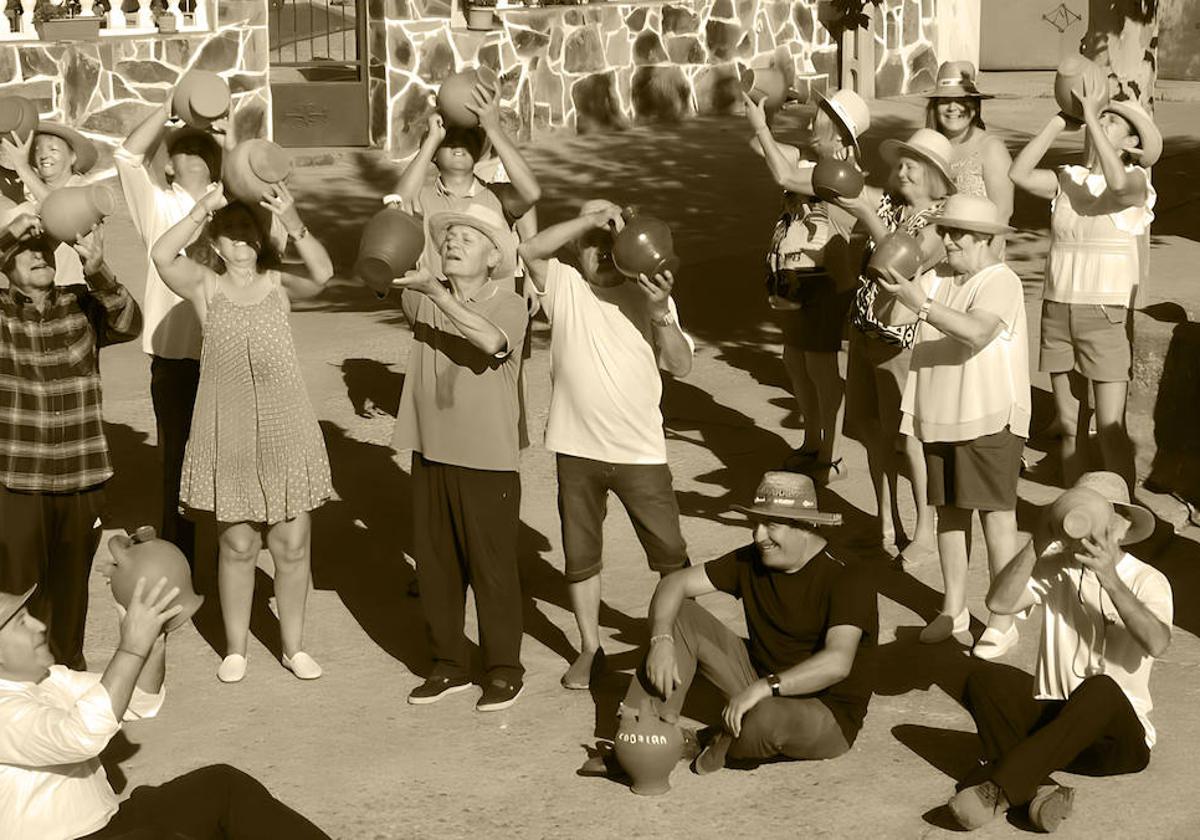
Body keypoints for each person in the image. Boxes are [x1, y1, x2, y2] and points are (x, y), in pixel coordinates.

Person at [151, 183, 334, 683]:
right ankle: (236, 649)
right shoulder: (204, 286)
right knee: (237, 547)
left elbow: (323, 274)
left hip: (286, 428)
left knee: (292, 549)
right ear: (215, 240)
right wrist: (200, 210)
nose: (240, 242)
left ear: (260, 238)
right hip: (225, 430)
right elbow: (161, 254)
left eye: (248, 232)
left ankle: (293, 647)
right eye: (230, 233)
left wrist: (293, 218)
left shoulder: (277, 282)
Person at [517, 199, 694, 690]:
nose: (600, 249)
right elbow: (529, 247)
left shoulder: (649, 296)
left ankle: (678, 638)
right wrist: (591, 220)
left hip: (640, 453)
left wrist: (660, 312)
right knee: (580, 556)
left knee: (670, 556)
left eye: (610, 242)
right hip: (577, 450)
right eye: (591, 244)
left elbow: (680, 366)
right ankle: (590, 648)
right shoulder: (565, 286)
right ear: (577, 249)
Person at [0, 581, 332, 839]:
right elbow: (81, 734)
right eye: (20, 623)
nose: (39, 625)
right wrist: (131, 647)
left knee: (222, 787)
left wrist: (154, 641)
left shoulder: (51, 679)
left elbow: (138, 700)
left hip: (109, 824)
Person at [947, 471, 1170, 833]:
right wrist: (1038, 542)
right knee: (984, 677)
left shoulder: (1148, 580)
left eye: (1101, 515)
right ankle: (1041, 791)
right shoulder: (1055, 567)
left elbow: (1158, 643)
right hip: (1055, 726)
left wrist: (1109, 578)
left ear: (1124, 526)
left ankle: (1002, 790)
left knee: (1101, 689)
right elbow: (998, 603)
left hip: (1116, 743)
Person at [620, 471, 876, 775]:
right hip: (757, 679)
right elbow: (673, 585)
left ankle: (714, 740)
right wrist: (660, 640)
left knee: (765, 718)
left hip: (826, 713)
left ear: (806, 527)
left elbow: (837, 663)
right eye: (755, 523)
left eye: (772, 525)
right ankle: (641, 736)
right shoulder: (751, 559)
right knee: (682, 615)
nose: (758, 536)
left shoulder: (848, 575)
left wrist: (763, 688)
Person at [874, 195, 1030, 657]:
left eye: (956, 233)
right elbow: (893, 318)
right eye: (945, 232)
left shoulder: (1002, 281)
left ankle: (1003, 620)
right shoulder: (937, 277)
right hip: (939, 414)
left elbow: (976, 332)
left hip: (990, 415)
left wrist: (921, 302)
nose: (948, 240)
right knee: (949, 514)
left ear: (983, 238)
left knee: (997, 518)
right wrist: (900, 275)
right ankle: (954, 608)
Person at [391, 203, 529, 712]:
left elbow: (490, 341)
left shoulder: (509, 302)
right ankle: (448, 664)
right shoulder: (423, 298)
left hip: (487, 459)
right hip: (430, 450)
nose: (452, 243)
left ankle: (504, 670)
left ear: (494, 257)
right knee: (436, 568)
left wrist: (435, 294)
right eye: (448, 238)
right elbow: (386, 268)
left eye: (467, 239)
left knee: (492, 571)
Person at [0, 214, 142, 670]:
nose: (39, 255)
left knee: (71, 590)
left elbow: (129, 321)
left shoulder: (81, 303)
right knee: (18, 595)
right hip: (18, 480)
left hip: (82, 476)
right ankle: (17, 697)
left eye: (44, 248)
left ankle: (67, 678)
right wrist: (5, 235)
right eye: (25, 251)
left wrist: (98, 268)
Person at [1010, 79, 1160, 490]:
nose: (1101, 121)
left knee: (1110, 428)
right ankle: (1076, 511)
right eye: (1102, 116)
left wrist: (1092, 113)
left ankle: (1121, 514)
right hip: (1058, 308)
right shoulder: (1067, 178)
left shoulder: (1136, 181)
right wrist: (1059, 122)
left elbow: (1115, 185)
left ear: (1131, 143)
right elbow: (1018, 173)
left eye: (1113, 122)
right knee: (1070, 427)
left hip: (1104, 312)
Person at [116, 100, 229, 563]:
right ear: (167, 169)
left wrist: (226, 134)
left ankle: (233, 558)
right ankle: (179, 560)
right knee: (178, 464)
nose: (198, 150)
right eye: (185, 147)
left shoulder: (234, 204)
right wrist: (169, 108)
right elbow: (126, 157)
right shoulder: (160, 206)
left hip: (232, 353)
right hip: (176, 357)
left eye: (206, 146)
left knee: (234, 460)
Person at [744, 87, 871, 482]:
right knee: (796, 363)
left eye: (822, 117)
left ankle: (830, 455)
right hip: (795, 281)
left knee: (820, 369)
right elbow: (757, 144)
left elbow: (780, 171)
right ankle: (812, 442)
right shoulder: (812, 163)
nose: (813, 119)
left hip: (826, 282)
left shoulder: (840, 177)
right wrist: (779, 125)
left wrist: (764, 127)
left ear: (841, 136)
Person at [840, 128, 953, 556]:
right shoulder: (889, 205)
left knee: (909, 438)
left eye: (912, 165)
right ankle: (886, 521)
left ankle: (925, 527)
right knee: (871, 433)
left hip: (903, 339)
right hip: (865, 329)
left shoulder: (941, 220)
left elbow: (897, 264)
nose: (901, 171)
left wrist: (866, 217)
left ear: (933, 176)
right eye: (899, 164)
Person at [390, 83, 541, 289]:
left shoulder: (498, 196)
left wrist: (493, 128)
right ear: (434, 153)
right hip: (435, 314)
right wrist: (432, 139)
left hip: (493, 315)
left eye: (469, 139)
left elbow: (531, 192)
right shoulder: (422, 199)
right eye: (449, 139)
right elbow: (396, 205)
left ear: (478, 153)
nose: (459, 142)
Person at [0, 122, 101, 286]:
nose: (44, 155)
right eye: (37, 150)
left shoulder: (85, 191)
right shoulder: (29, 192)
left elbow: (61, 213)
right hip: (33, 297)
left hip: (74, 294)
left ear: (73, 157)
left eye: (53, 149)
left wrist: (22, 167)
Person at [925, 61, 1013, 220]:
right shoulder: (926, 144)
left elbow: (1003, 214)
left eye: (961, 100)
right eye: (945, 100)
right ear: (935, 106)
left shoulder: (992, 148)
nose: (952, 107)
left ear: (975, 107)